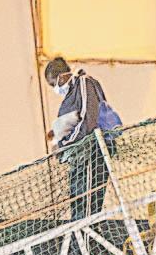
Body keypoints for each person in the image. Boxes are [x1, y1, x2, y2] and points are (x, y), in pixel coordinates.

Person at [45, 57, 114, 220]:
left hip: (91, 153)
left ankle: (87, 234)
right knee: (78, 206)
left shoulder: (84, 82)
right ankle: (83, 234)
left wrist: (64, 143)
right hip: (79, 157)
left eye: (54, 84)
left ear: (62, 77)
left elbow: (87, 119)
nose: (56, 89)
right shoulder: (70, 96)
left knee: (87, 206)